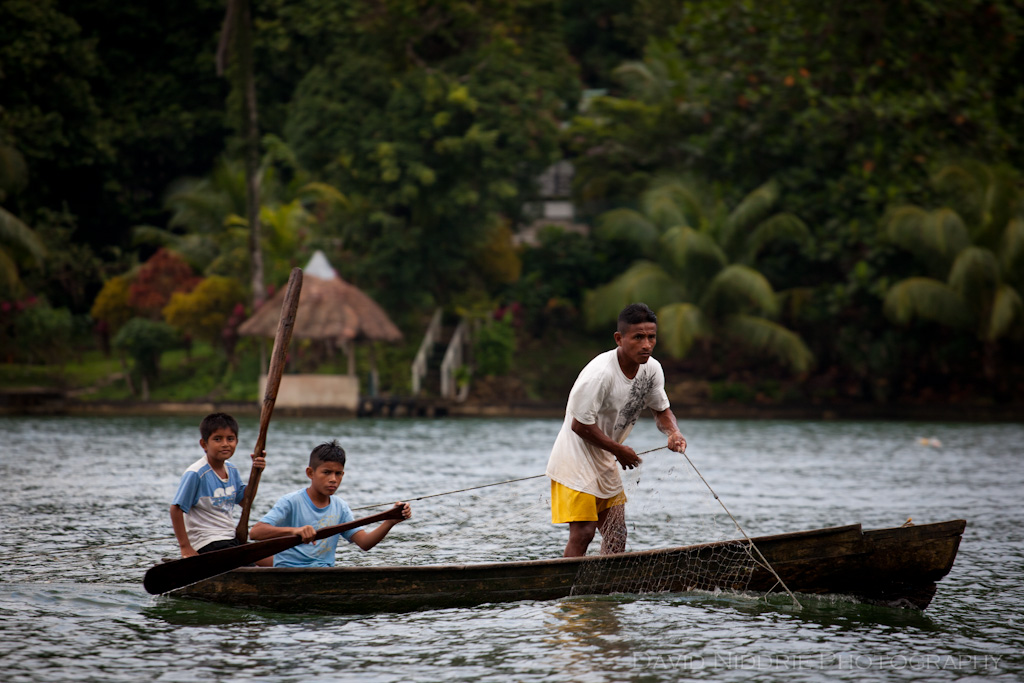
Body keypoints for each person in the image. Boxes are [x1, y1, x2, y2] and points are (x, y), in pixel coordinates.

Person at [546, 302, 687, 557]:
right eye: (638, 338)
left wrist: (673, 433)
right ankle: (568, 591)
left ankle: (604, 591)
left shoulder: (652, 369)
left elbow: (661, 410)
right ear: (619, 339)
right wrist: (619, 450)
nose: (646, 345)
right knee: (584, 533)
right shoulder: (600, 374)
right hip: (574, 460)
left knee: (617, 533)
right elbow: (580, 425)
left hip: (605, 458)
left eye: (651, 337)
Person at [250, 440, 412, 567]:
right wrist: (296, 530)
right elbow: (256, 532)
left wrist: (390, 521)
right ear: (310, 473)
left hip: (324, 569)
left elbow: (365, 543)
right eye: (326, 472)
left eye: (338, 473)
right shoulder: (291, 501)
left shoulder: (340, 507)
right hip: (288, 570)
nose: (333, 479)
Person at [169, 412, 271, 565]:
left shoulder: (231, 469)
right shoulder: (197, 474)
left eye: (230, 439)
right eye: (217, 439)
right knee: (255, 569)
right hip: (207, 543)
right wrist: (186, 548)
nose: (225, 444)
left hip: (229, 540)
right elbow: (176, 509)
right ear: (204, 444)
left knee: (273, 561)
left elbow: (244, 501)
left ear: (236, 441)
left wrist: (256, 474)